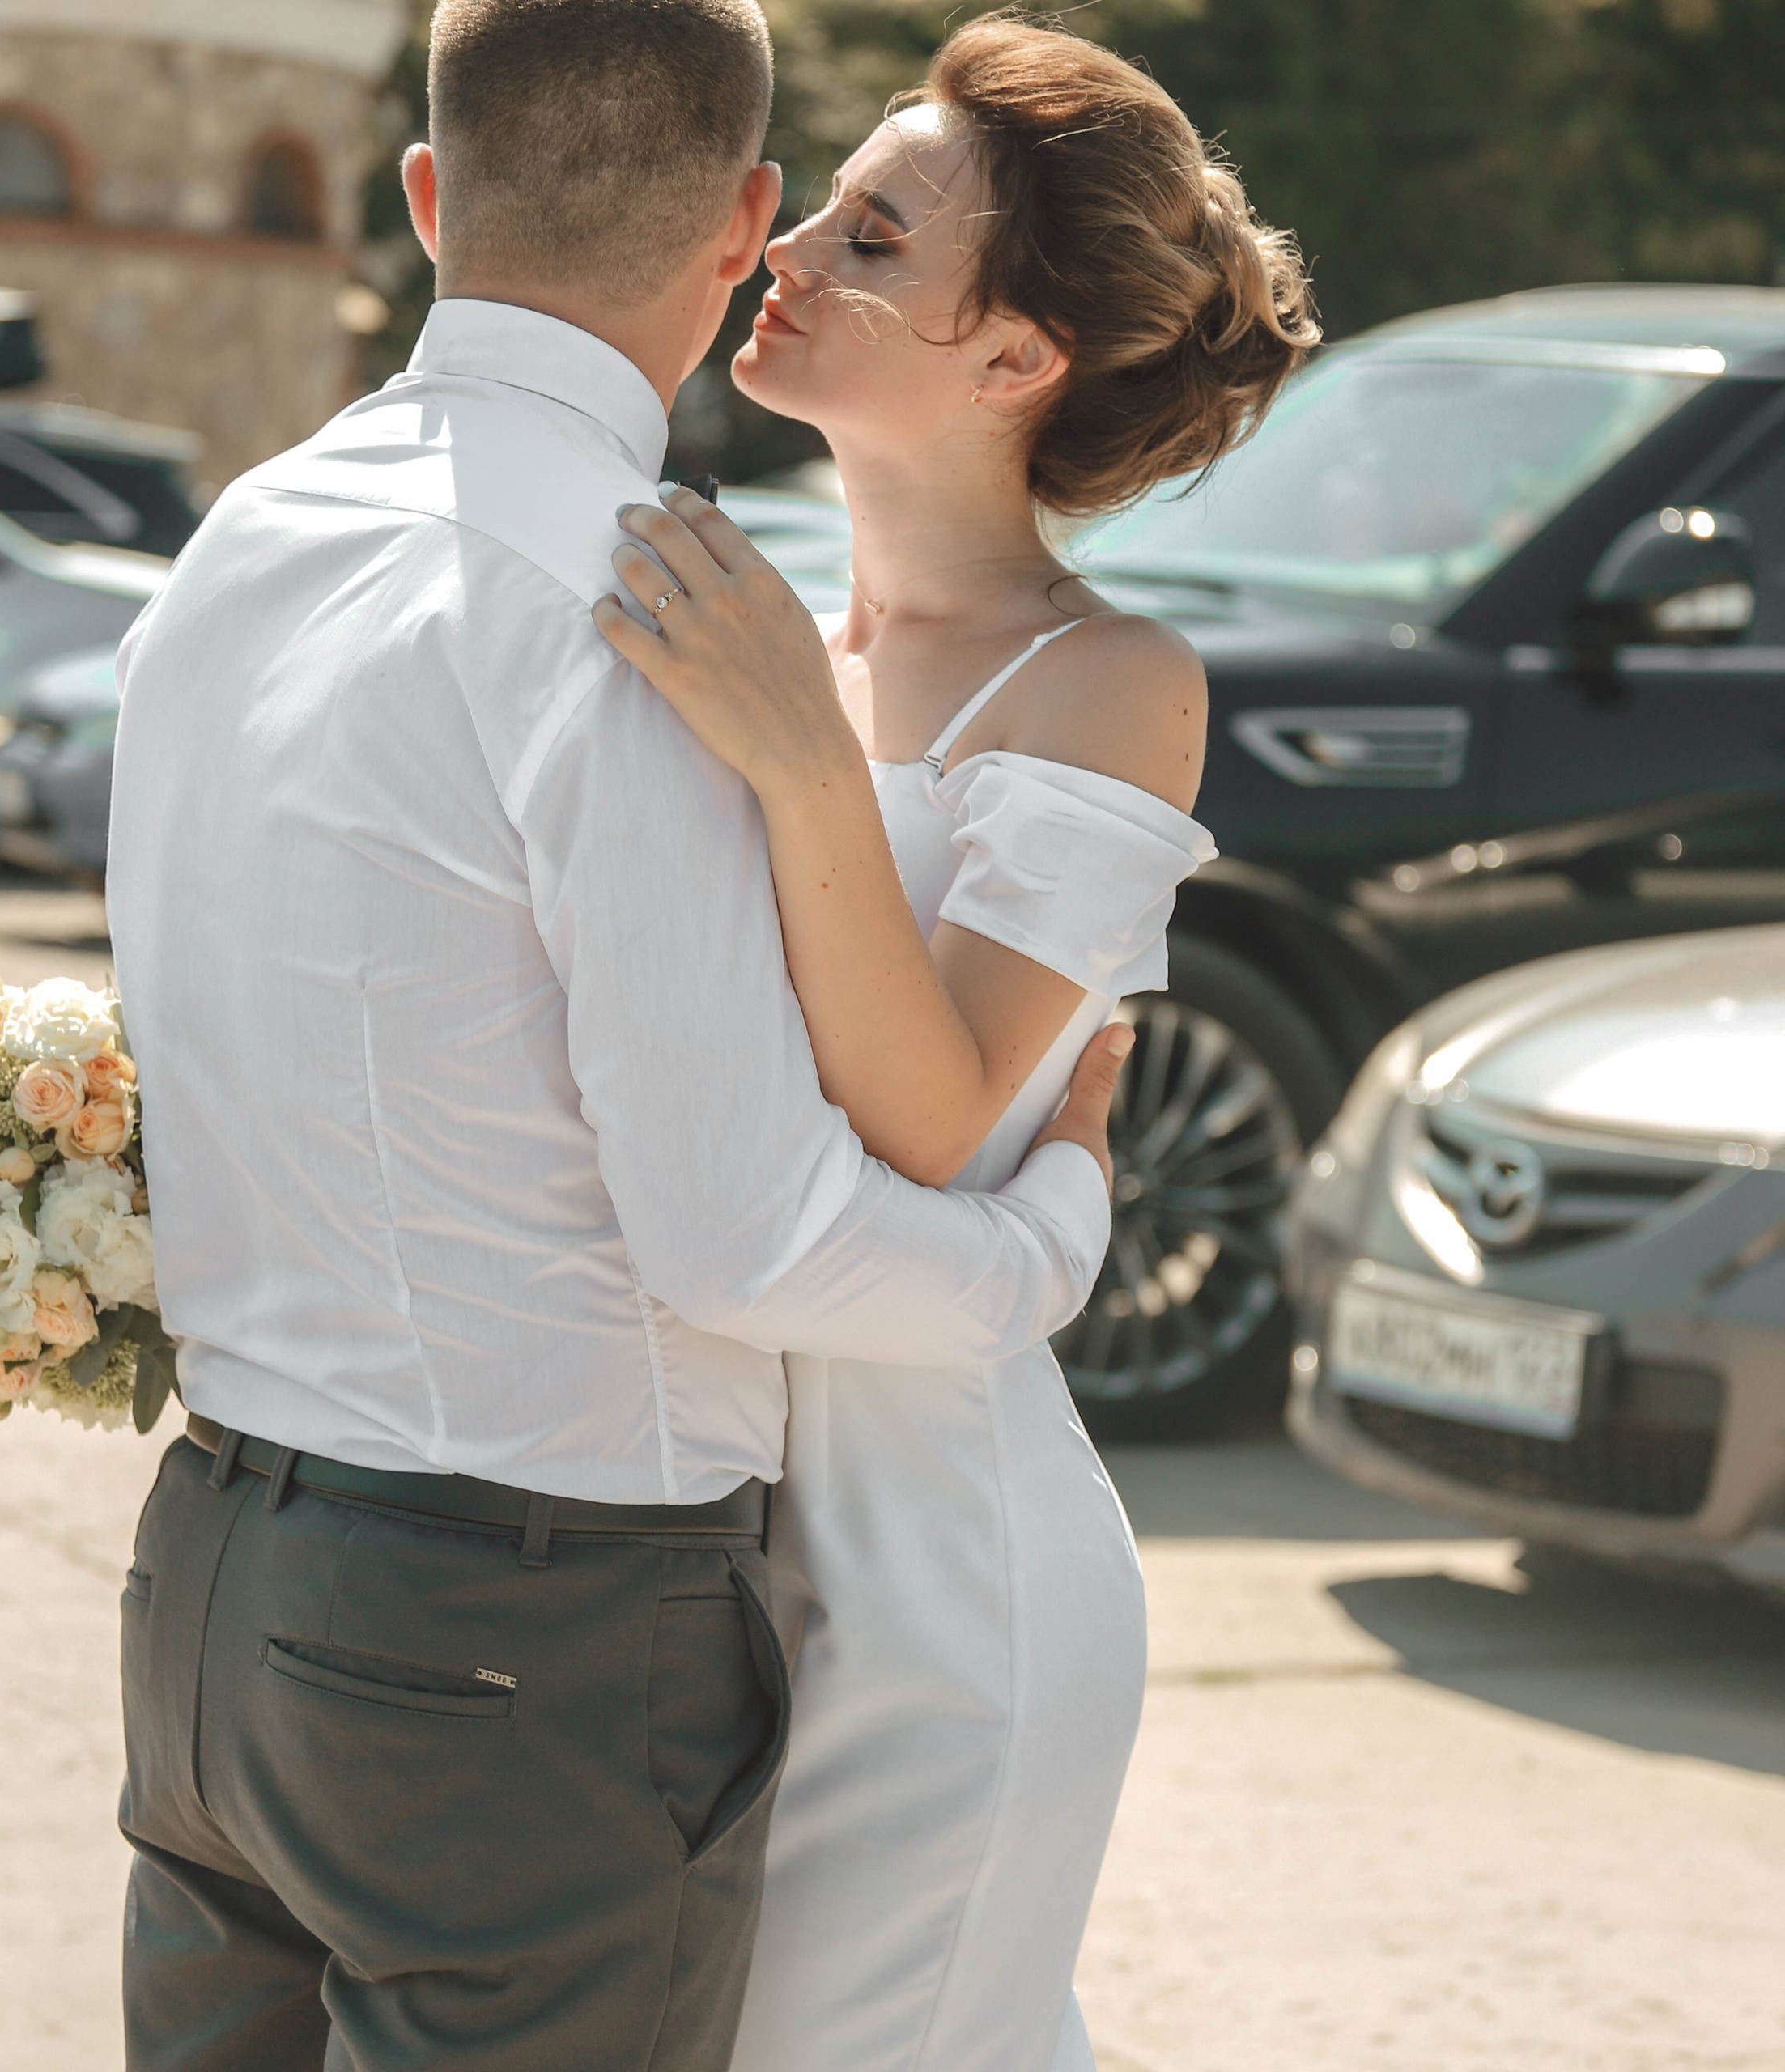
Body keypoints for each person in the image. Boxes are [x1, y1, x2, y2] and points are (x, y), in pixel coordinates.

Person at [101, 2, 1133, 2066]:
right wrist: (1047, 1240)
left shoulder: (238, 540)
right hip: (514, 1643)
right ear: (748, 210)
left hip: (211, 1583)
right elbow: (740, 1239)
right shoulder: (643, 599)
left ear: (423, 197)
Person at [592, 19, 1319, 2071]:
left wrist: (798, 760)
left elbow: (925, 1124)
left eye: (874, 234)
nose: (787, 247)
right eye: (822, 196)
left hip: (934, 1583)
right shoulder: (770, 634)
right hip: (691, 1545)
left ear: (1015, 362)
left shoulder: (1106, 681)